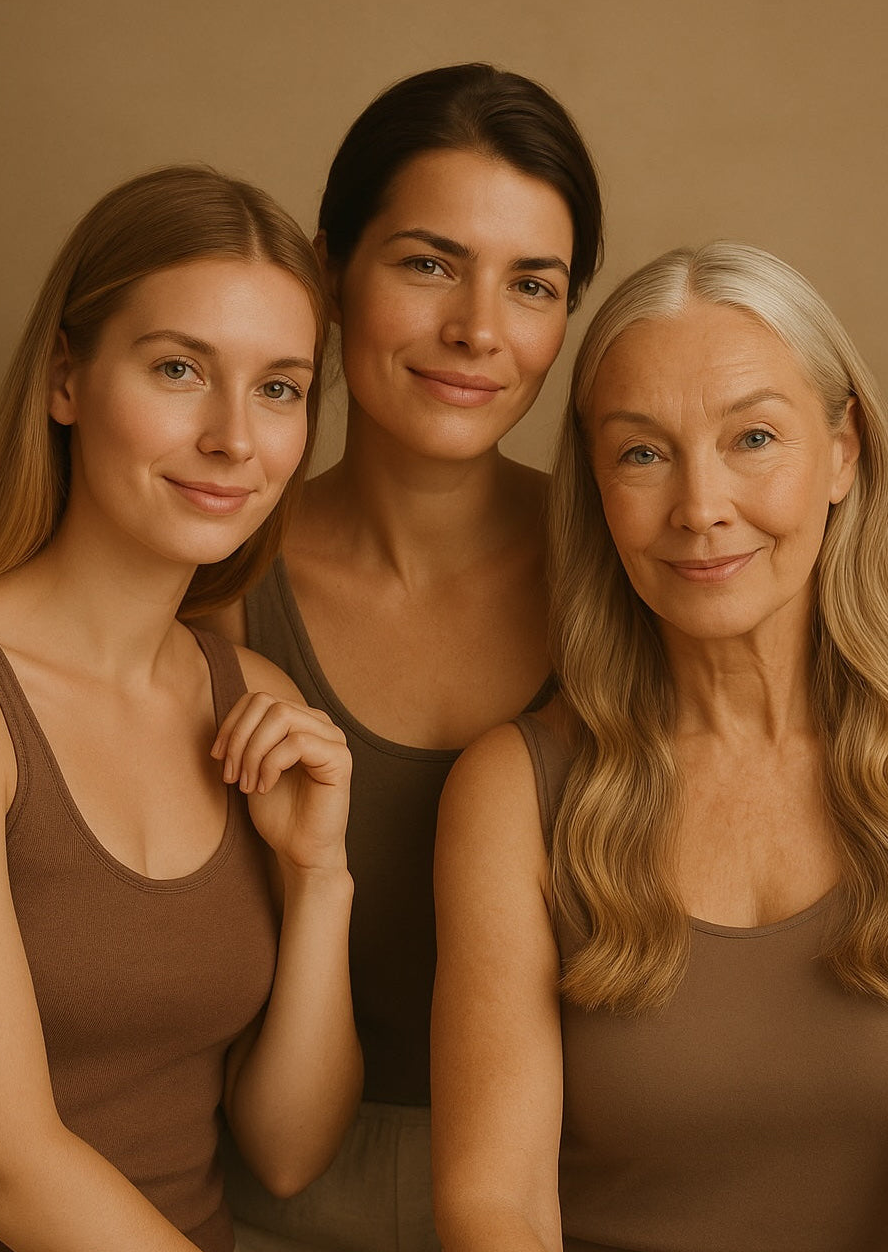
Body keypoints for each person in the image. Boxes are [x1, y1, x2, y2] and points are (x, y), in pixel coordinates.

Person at [431, 241, 888, 1251]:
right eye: (642, 453)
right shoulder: (511, 789)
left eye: (752, 437)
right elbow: (490, 1205)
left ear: (843, 450)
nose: (700, 507)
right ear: (595, 487)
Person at [204, 63, 603, 1251]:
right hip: (273, 1201)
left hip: (580, 1195)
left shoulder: (639, 569)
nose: (478, 330)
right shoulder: (215, 582)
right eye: (428, 262)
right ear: (329, 270)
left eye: (531, 284)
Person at [0, 165, 362, 1252]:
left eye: (279, 388)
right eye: (180, 368)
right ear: (65, 378)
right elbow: (0, 1168)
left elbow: (285, 1150)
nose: (234, 436)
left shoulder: (253, 703)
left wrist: (320, 880)